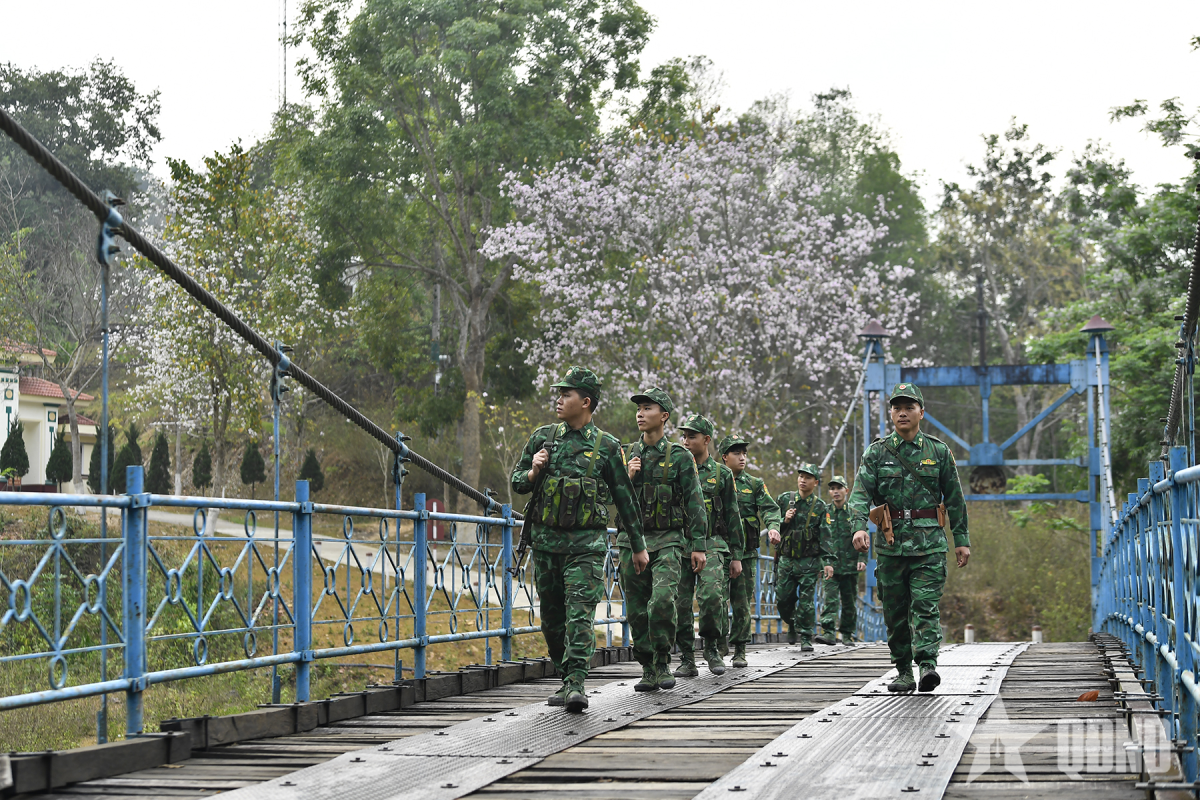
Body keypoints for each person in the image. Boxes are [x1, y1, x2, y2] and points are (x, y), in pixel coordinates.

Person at [511, 367, 646, 712]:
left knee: (579, 616)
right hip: (545, 546)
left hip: (586, 548)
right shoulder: (543, 437)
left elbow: (625, 497)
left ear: (585, 402)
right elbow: (517, 482)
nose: (558, 399)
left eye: (566, 394)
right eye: (559, 393)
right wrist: (533, 469)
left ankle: (576, 684)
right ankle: (565, 674)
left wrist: (638, 545)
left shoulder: (606, 447)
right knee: (551, 622)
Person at [848, 382, 970, 693]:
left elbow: (955, 498)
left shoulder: (939, 452)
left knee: (926, 606)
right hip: (891, 547)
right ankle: (903, 670)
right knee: (895, 611)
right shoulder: (876, 453)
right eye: (897, 408)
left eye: (909, 407)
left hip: (929, 545)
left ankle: (927, 664)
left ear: (921, 412)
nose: (902, 412)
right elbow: (860, 493)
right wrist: (859, 526)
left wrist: (961, 539)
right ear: (890, 413)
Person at [619, 388, 708, 692]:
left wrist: (698, 546)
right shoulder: (625, 453)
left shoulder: (680, 457)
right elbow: (605, 499)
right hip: (632, 541)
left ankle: (662, 661)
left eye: (647, 408)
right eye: (638, 409)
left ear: (664, 416)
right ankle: (647, 668)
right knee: (636, 609)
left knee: (662, 601)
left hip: (670, 540)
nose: (640, 413)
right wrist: (625, 478)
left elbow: (695, 502)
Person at [674, 413, 743, 677]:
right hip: (681, 543)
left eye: (692, 436)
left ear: (706, 440)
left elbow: (732, 516)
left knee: (712, 597)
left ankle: (713, 648)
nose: (686, 441)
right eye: (684, 436)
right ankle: (686, 657)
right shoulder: (677, 468)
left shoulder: (721, 474)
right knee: (679, 604)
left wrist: (736, 555)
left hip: (714, 543)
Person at [717, 434, 781, 668]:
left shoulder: (754, 484)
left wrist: (773, 527)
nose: (742, 457)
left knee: (742, 602)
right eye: (736, 453)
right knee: (716, 600)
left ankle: (740, 649)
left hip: (745, 553)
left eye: (744, 453)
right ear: (725, 457)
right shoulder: (715, 481)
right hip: (719, 551)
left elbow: (771, 509)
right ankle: (719, 643)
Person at [773, 462, 834, 651]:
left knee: (807, 602)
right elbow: (772, 524)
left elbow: (825, 535)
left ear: (815, 482)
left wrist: (828, 562)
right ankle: (791, 622)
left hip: (809, 561)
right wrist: (784, 520)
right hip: (786, 560)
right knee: (783, 599)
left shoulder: (820, 507)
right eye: (801, 476)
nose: (803, 480)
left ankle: (806, 636)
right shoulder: (784, 499)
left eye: (807, 477)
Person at [818, 475, 866, 644]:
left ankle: (846, 634)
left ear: (846, 490)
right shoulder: (824, 512)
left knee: (849, 602)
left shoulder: (854, 513)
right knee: (829, 598)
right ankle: (829, 633)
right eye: (832, 488)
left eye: (839, 488)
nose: (835, 491)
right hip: (830, 565)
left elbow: (863, 537)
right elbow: (821, 538)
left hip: (850, 564)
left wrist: (862, 557)